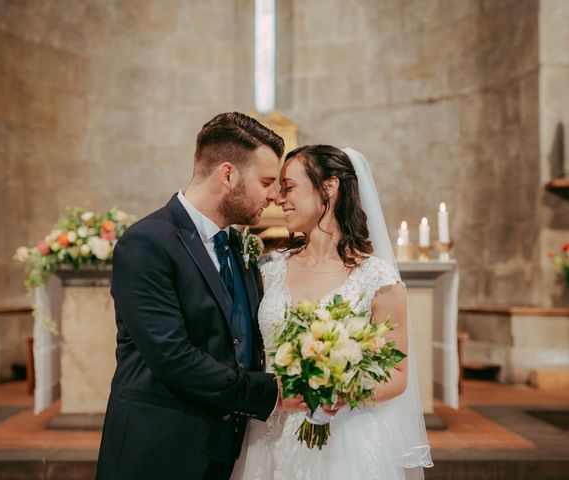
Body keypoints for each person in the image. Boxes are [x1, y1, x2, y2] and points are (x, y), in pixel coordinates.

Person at [95, 112, 285, 480]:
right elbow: (172, 356)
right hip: (159, 448)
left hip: (223, 447)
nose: (274, 196)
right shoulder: (147, 243)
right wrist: (270, 393)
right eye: (266, 182)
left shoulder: (236, 244)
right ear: (227, 175)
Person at [232, 145, 433, 479]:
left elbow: (397, 375)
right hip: (270, 434)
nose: (279, 199)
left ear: (329, 187)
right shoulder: (268, 268)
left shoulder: (378, 280)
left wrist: (341, 393)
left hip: (345, 440)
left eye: (289, 186)